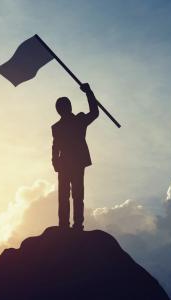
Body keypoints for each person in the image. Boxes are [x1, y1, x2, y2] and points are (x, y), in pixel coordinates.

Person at [51, 83, 99, 230]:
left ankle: (78, 224)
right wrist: (55, 162)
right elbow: (55, 146)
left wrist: (89, 93)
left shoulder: (79, 120)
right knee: (63, 196)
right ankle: (64, 225)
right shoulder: (57, 127)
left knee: (78, 195)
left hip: (77, 162)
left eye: (64, 107)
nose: (62, 110)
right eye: (60, 108)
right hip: (64, 163)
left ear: (69, 107)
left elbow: (94, 112)